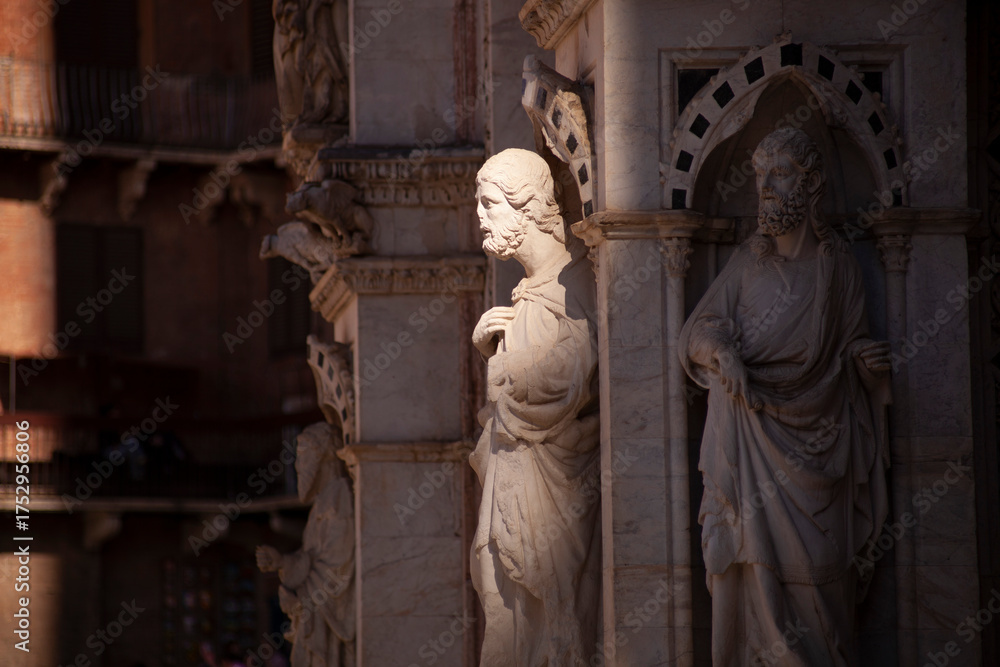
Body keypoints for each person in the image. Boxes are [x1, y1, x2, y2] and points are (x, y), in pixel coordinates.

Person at [679, 127, 891, 666]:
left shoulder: (836, 266)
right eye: (759, 175)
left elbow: (848, 343)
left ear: (813, 181)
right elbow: (696, 332)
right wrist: (724, 353)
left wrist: (865, 363)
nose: (766, 187)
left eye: (780, 173)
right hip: (747, 442)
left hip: (819, 452)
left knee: (822, 589)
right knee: (753, 582)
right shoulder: (748, 264)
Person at [470, 148, 601, 665]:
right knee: (499, 608)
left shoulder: (578, 281)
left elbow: (577, 376)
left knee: (543, 628)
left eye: (488, 204)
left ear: (525, 207)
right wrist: (493, 351)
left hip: (553, 492)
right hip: (511, 483)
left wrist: (500, 370)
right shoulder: (526, 295)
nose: (480, 217)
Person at [256, 422, 355, 667]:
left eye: (303, 456)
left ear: (322, 456)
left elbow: (338, 565)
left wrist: (301, 597)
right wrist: (283, 562)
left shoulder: (338, 498)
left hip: (330, 620)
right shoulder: (322, 504)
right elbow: (313, 558)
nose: (298, 466)